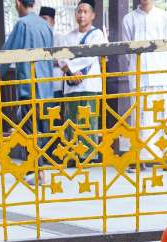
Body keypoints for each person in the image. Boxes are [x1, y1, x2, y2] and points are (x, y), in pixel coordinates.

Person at [3, 0, 54, 183]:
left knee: (29, 130)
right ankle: (35, 170)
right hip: (47, 87)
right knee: (38, 130)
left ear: (18, 3)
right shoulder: (46, 26)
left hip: (29, 86)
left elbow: (6, 54)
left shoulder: (22, 24)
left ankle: (38, 173)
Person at [121, 0, 167, 162]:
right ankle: (138, 157)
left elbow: (166, 45)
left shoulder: (164, 16)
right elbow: (128, 49)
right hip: (138, 73)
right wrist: (137, 67)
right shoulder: (129, 19)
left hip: (159, 71)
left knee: (162, 114)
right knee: (140, 114)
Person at [59, 0, 106, 165]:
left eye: (86, 12)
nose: (82, 15)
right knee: (71, 118)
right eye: (79, 12)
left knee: (88, 118)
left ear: (93, 15)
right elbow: (60, 58)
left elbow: (91, 55)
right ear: (75, 14)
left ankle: (87, 156)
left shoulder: (97, 34)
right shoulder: (67, 37)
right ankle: (72, 154)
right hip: (70, 85)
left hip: (89, 84)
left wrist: (73, 68)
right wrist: (71, 72)